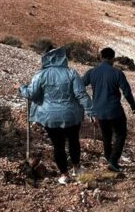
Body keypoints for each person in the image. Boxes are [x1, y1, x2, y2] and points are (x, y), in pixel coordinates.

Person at [20, 47, 93, 184]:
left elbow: (31, 94)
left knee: (58, 145)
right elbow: (81, 94)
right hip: (71, 115)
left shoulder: (40, 75)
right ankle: (77, 168)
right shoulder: (71, 73)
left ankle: (64, 174)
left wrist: (22, 88)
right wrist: (91, 112)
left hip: (49, 117)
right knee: (73, 140)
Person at [82, 47, 135, 173]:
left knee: (106, 136)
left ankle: (109, 160)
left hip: (99, 112)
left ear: (101, 57)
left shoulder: (92, 72)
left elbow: (80, 85)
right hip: (115, 110)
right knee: (121, 134)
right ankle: (113, 160)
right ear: (112, 59)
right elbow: (127, 92)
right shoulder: (117, 73)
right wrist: (133, 105)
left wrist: (87, 103)